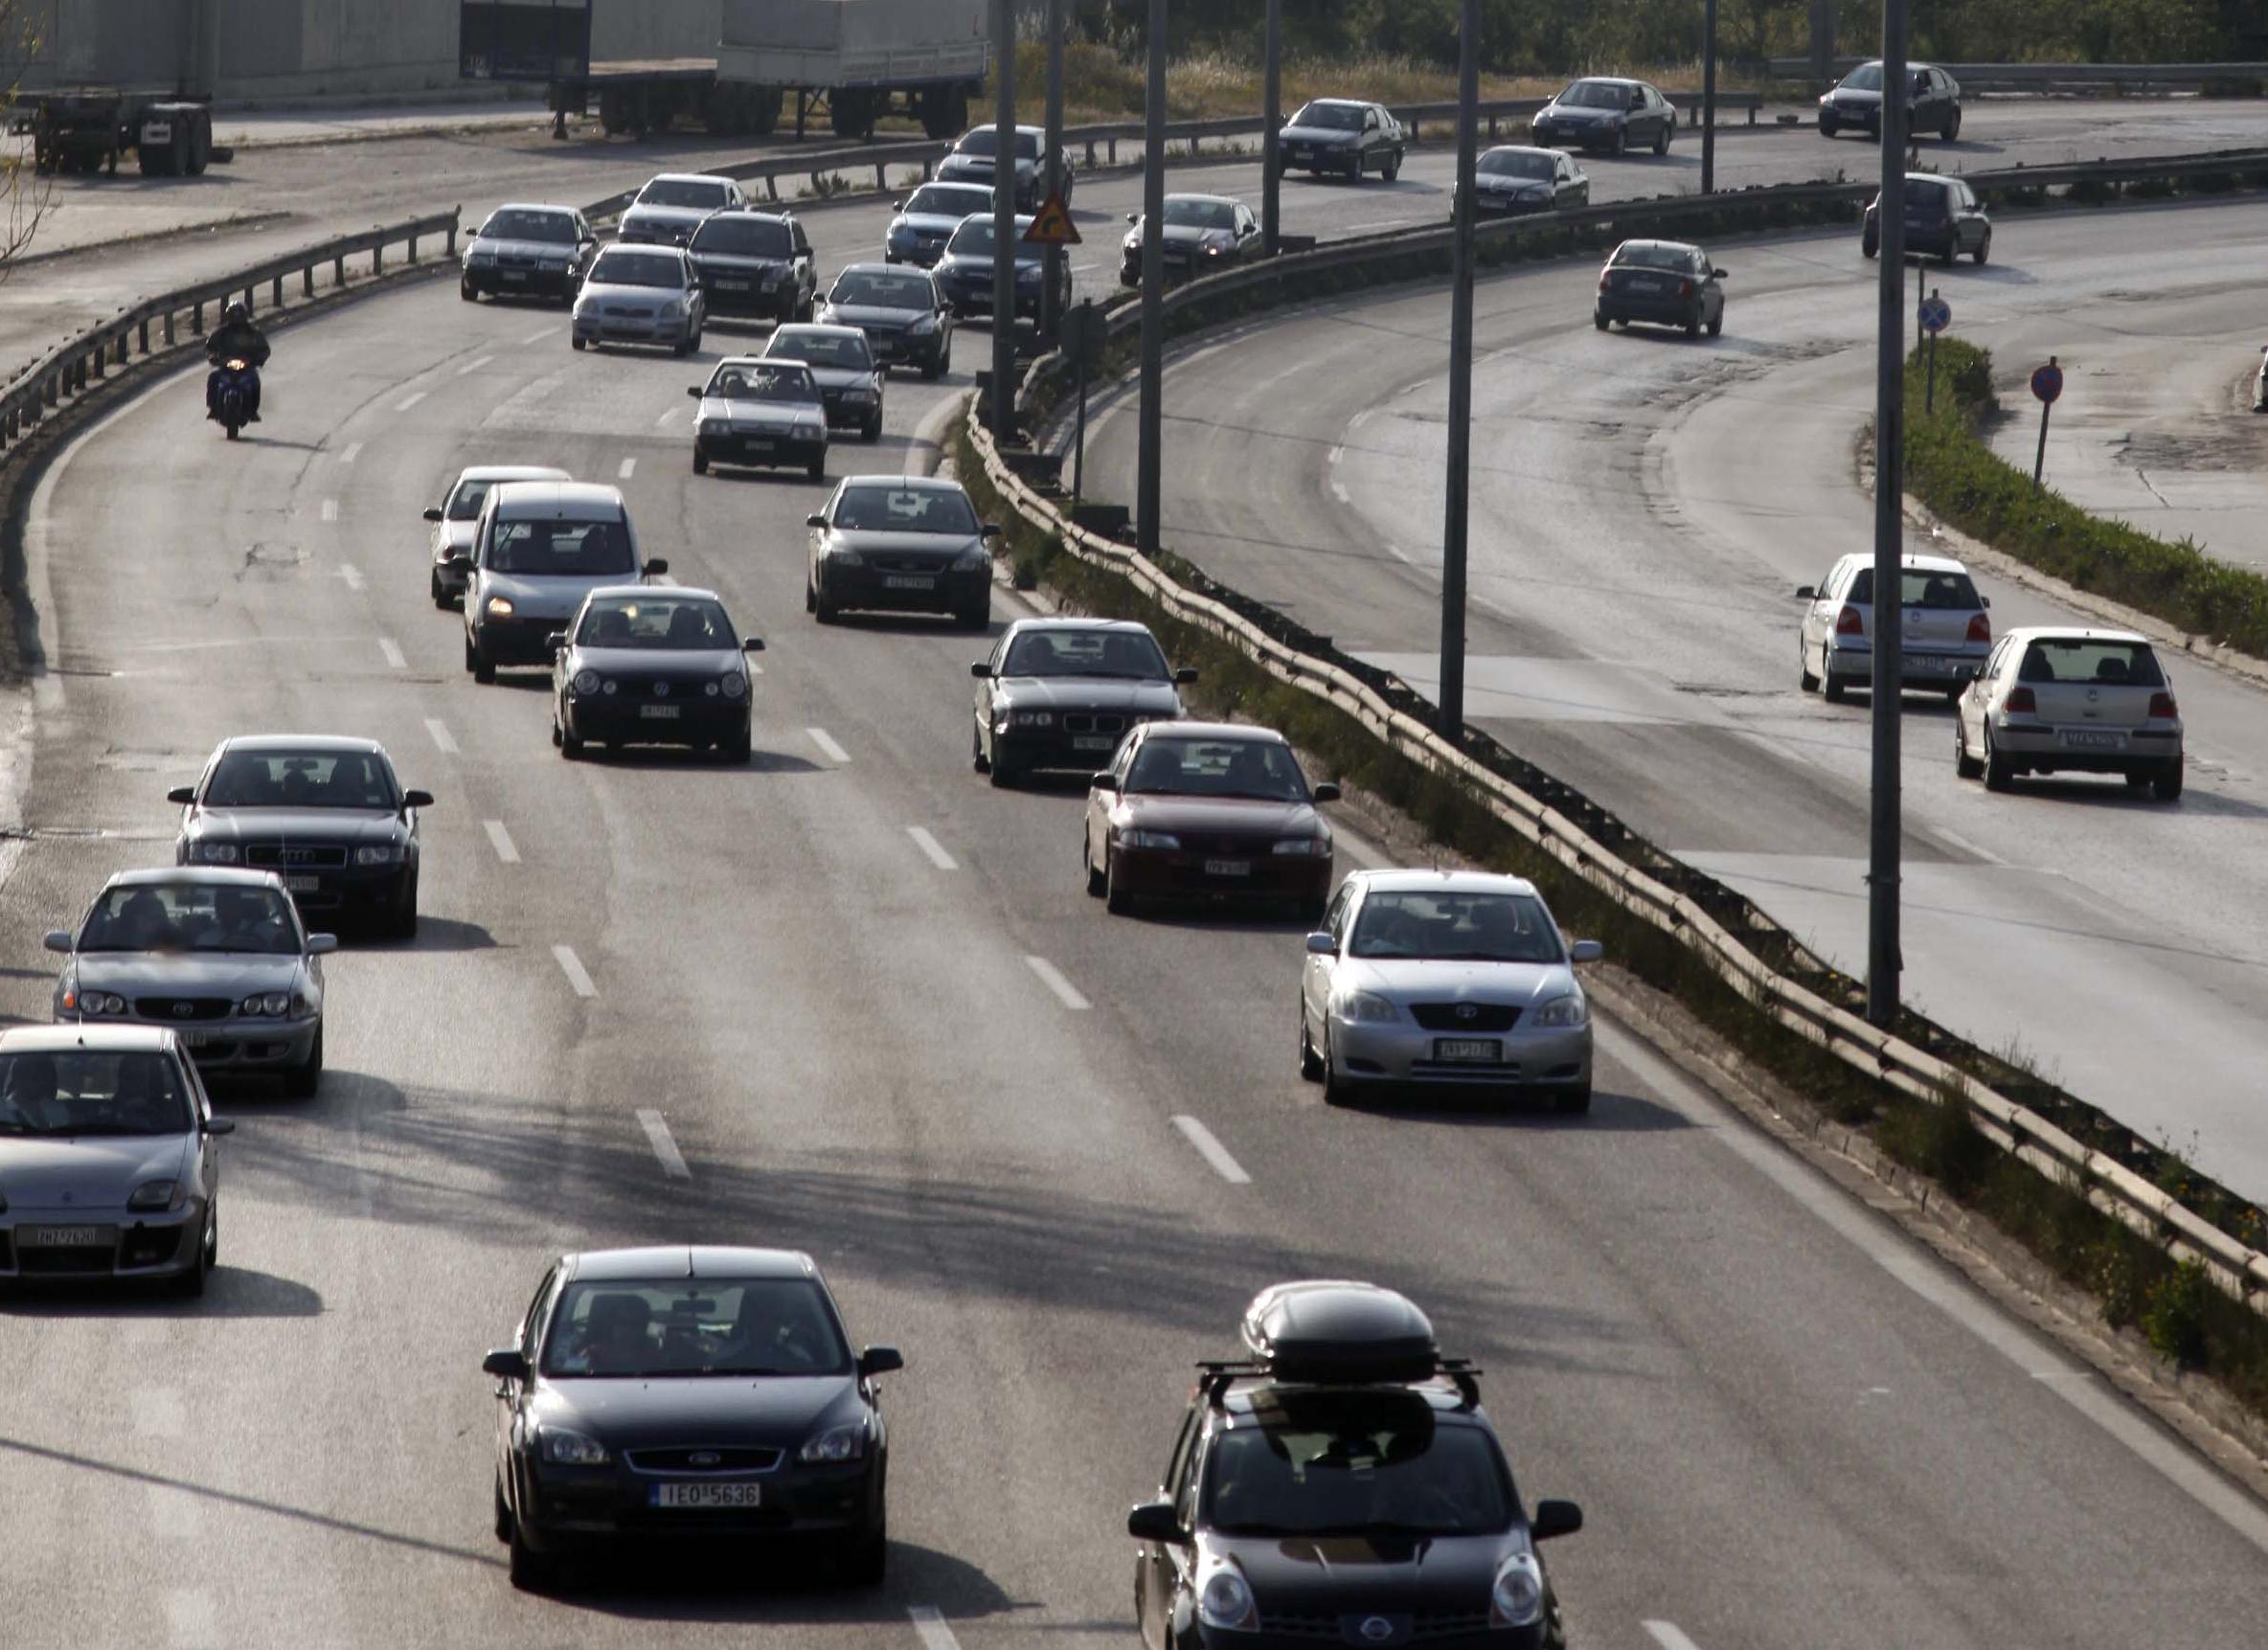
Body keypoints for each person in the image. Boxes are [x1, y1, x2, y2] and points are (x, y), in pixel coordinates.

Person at [205, 301, 271, 423]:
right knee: (213, 378)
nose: (237, 320)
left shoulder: (253, 332)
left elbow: (264, 349)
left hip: (247, 367)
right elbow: (210, 347)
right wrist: (214, 357)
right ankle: (213, 408)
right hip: (226, 367)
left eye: (239, 317)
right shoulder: (221, 333)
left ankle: (253, 411)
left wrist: (258, 359)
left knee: (255, 381)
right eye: (234, 317)